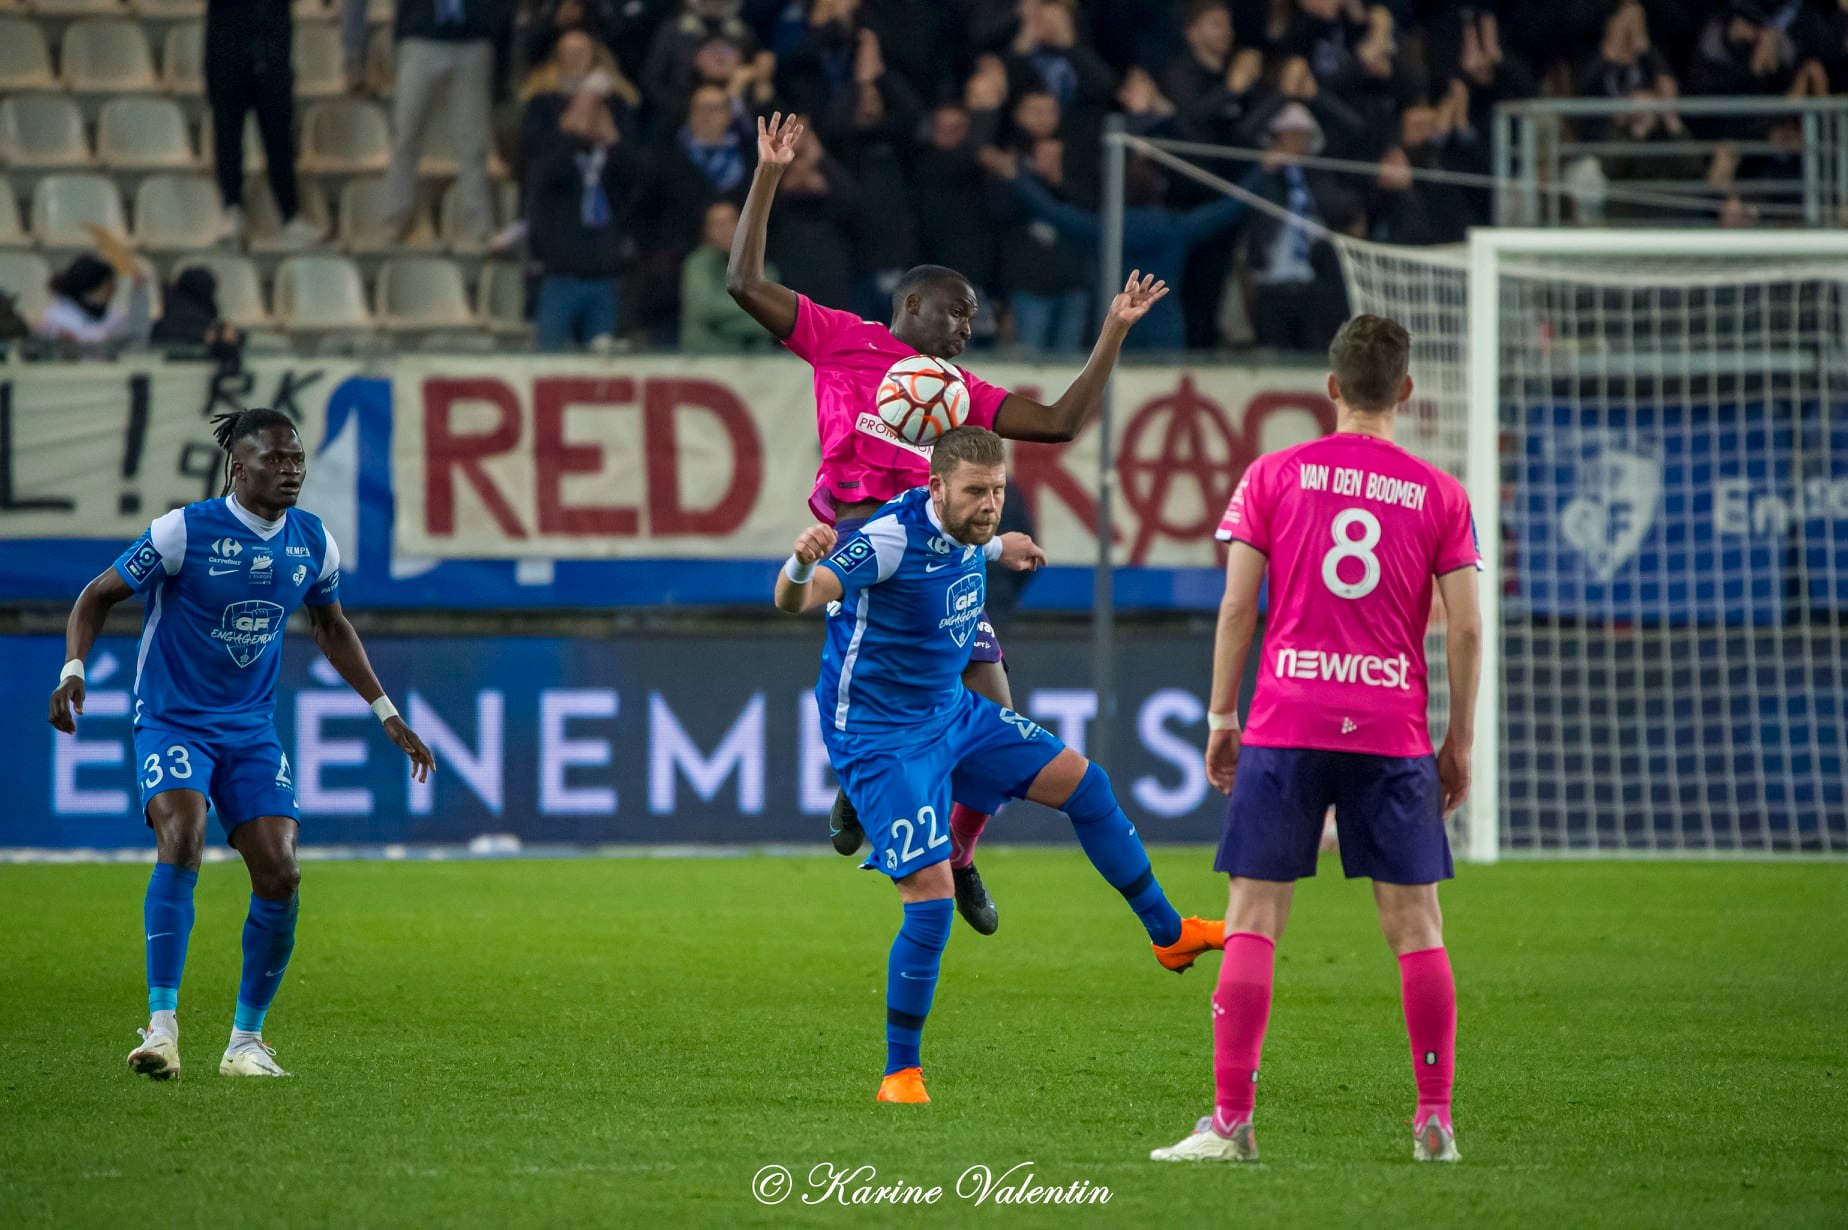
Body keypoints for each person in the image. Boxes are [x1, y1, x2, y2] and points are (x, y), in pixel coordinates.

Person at [729, 112, 1169, 936]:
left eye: (971, 318)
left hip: (940, 560)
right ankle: (871, 784)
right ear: (910, 304)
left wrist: (1112, 333)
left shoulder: (959, 394)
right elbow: (743, 285)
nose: (966, 327)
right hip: (869, 548)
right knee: (895, 702)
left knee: (999, 711)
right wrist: (768, 175)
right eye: (955, 312)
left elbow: (1060, 420)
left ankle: (960, 858)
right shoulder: (839, 339)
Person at [773, 426, 1226, 1104]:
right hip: (880, 737)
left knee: (1086, 784)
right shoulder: (887, 540)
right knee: (928, 901)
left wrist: (998, 545)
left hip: (951, 713)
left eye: (999, 491)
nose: (991, 504)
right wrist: (801, 564)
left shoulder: (968, 530)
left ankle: (1169, 934)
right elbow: (795, 601)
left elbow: (965, 539)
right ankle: (901, 1073)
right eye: (977, 492)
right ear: (936, 489)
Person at [1149, 315, 1482, 1164]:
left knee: (1254, 918)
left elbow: (1235, 608)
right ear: (1405, 392)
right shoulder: (1442, 494)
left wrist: (1222, 720)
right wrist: (1460, 742)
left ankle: (1231, 1122)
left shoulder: (1274, 474)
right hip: (1390, 725)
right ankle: (1434, 1120)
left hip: (1287, 718)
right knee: (1417, 927)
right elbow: (1468, 630)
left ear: (1330, 388)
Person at [48, 409, 436, 1081]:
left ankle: (245, 1045)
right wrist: (73, 670)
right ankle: (162, 1028)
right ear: (239, 468)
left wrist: (386, 713)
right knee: (183, 836)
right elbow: (95, 596)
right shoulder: (184, 531)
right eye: (275, 460)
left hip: (250, 729)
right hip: (172, 718)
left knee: (281, 870)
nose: (291, 470)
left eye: (297, 458)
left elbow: (331, 625)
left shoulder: (313, 541)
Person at [381, 0, 509, 247]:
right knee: (406, 137)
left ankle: (481, 224)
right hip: (421, 37)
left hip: (473, 40)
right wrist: (406, 32)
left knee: (473, 144)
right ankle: (394, 220)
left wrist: (490, 32)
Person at [206, 0, 323, 247]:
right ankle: (232, 208)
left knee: (279, 139)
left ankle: (290, 215)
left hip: (272, 55)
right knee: (228, 136)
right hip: (226, 53)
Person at [679, 201, 778, 352]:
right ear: (706, 231)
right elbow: (706, 309)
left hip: (758, 363)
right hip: (706, 360)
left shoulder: (765, 269)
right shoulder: (697, 265)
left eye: (731, 221)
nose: (725, 230)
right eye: (717, 224)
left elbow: (773, 321)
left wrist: (722, 322)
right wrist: (755, 309)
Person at [37, 247, 152, 361]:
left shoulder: (111, 316)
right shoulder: (56, 318)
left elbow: (134, 336)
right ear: (89, 288)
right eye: (107, 287)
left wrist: (140, 292)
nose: (112, 292)